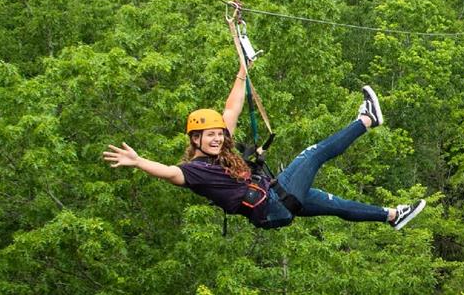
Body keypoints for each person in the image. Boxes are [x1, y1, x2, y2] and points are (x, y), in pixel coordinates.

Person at [103, 64, 425, 230]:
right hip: (273, 204)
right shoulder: (195, 171)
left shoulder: (222, 151)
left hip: (276, 204)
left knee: (336, 205)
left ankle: (392, 216)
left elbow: (231, 110)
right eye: (209, 136)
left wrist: (242, 73)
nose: (217, 138)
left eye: (219, 134)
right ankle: (367, 121)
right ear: (194, 141)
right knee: (314, 153)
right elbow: (169, 172)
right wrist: (138, 161)